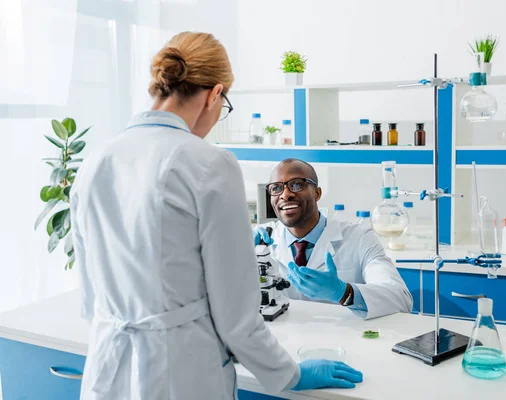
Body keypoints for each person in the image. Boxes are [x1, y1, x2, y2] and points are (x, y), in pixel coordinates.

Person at [71, 32, 362, 400]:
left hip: (107, 368)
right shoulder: (209, 163)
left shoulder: (95, 161)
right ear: (214, 93)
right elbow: (236, 317)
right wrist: (289, 374)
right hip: (179, 372)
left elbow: (89, 297)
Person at [255, 159, 413, 320]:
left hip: (342, 342)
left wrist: (344, 292)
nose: (285, 194)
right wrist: (237, 258)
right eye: (276, 188)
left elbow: (401, 299)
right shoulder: (260, 241)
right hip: (281, 340)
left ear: (317, 193)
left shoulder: (359, 238)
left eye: (297, 184)